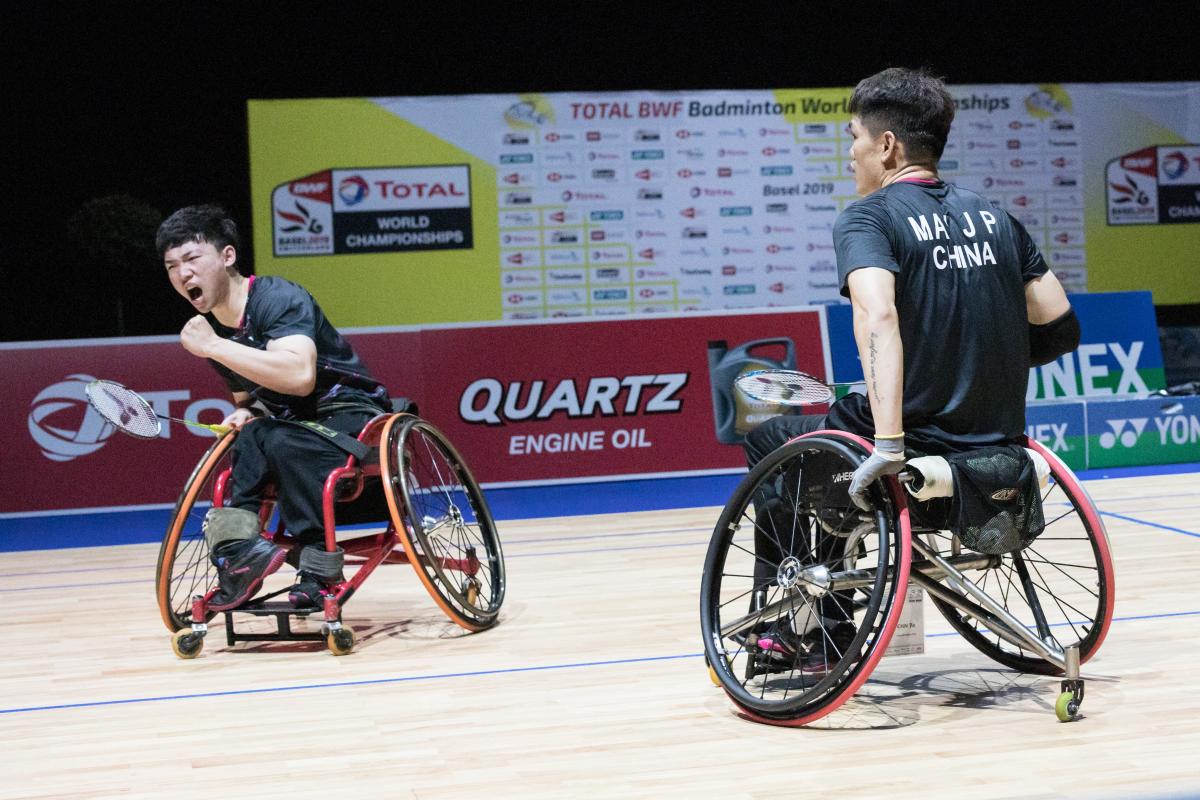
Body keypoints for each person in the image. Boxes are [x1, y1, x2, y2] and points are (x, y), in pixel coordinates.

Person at [741, 67, 1080, 672]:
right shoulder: (997, 218)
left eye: (854, 138)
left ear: (887, 145)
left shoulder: (868, 219)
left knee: (771, 442)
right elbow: (1058, 324)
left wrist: (891, 440)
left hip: (910, 444)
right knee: (816, 456)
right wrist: (977, 362)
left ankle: (809, 631)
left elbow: (878, 317)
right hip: (995, 446)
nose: (850, 154)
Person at [157, 205, 392, 611]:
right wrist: (246, 413)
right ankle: (238, 556)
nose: (183, 274)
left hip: (348, 409)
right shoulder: (215, 330)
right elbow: (249, 400)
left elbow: (300, 376)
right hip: (293, 425)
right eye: (172, 266)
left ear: (227, 256)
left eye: (193, 259)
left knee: (280, 440)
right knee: (251, 437)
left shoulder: (277, 297)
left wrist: (214, 346)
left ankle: (319, 570)